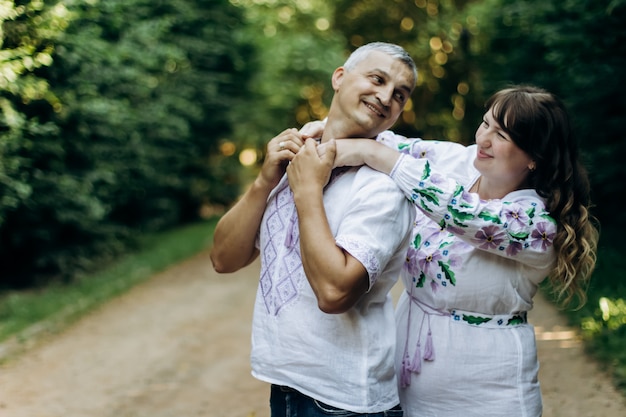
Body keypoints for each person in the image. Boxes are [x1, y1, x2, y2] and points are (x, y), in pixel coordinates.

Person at [302, 85, 600, 416]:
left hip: (487, 394)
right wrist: (322, 131)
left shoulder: (534, 224)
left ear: (534, 157)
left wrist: (378, 157)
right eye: (485, 123)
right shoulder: (463, 162)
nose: (484, 138)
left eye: (501, 135)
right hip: (409, 378)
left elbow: (457, 210)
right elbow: (392, 143)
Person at [210, 42, 418, 416]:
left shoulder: (383, 187)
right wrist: (263, 181)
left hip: (346, 401)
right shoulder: (299, 151)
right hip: (287, 384)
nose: (386, 97)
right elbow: (224, 259)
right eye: (377, 78)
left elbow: (335, 293)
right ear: (340, 77)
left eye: (399, 95)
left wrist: (307, 191)